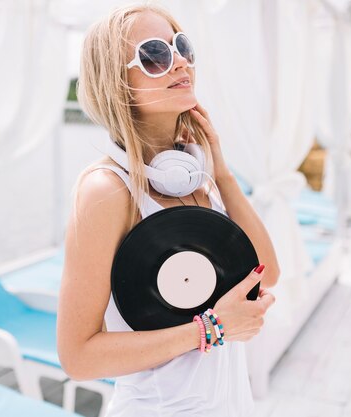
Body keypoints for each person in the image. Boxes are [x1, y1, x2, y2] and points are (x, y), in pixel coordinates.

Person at [57, 4, 279, 416]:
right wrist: (213, 329)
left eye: (182, 46)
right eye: (155, 54)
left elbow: (266, 270)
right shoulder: (107, 190)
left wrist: (223, 175)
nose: (179, 61)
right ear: (116, 80)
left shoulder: (197, 178)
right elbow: (78, 357)